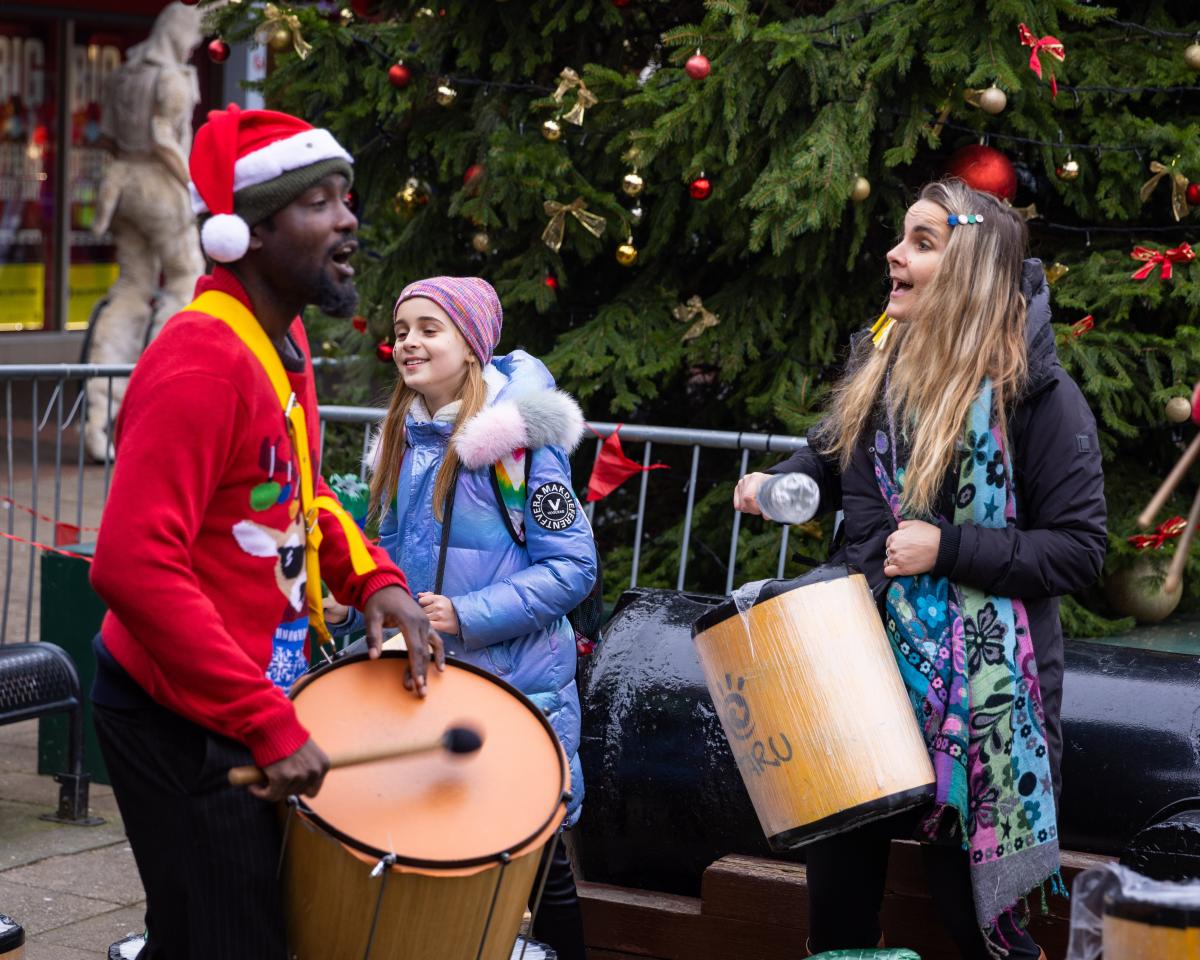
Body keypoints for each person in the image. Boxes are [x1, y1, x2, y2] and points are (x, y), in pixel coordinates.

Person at [88, 104, 441, 960]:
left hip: (229, 703)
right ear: (244, 232)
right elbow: (132, 565)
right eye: (319, 202)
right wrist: (265, 723)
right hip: (176, 712)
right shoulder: (202, 358)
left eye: (345, 198)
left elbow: (300, 492)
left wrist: (376, 581)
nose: (349, 219)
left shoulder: (275, 347)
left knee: (205, 935)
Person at [733, 179, 1106, 959]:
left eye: (922, 243)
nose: (895, 256)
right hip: (862, 676)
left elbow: (1078, 550)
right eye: (902, 239)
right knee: (836, 900)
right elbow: (833, 455)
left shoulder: (1038, 395)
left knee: (971, 921)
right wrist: (783, 484)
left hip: (985, 698)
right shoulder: (881, 364)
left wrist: (948, 547)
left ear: (968, 270)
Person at [327, 276, 597, 959]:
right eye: (403, 329)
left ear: (472, 344)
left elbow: (573, 566)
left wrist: (466, 614)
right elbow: (384, 551)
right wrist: (361, 598)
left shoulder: (522, 447)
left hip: (513, 690)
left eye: (430, 328)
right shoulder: (401, 433)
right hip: (430, 687)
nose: (410, 342)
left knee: (538, 868)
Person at [86, 1, 205, 461]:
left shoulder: (126, 73)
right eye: (193, 34)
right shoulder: (171, 78)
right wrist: (191, 185)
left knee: (131, 291)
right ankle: (153, 402)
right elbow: (164, 139)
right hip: (159, 185)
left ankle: (99, 423)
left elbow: (110, 138)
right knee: (185, 282)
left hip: (121, 183)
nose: (194, 44)